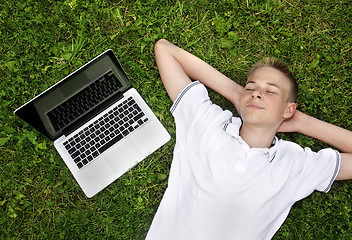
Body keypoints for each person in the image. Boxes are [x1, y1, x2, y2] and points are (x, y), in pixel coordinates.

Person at [145, 39, 352, 240]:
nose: (257, 94)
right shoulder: (207, 122)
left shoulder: (295, 164)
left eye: (270, 91)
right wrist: (237, 93)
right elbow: (165, 50)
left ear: (288, 109)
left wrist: (302, 122)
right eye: (250, 87)